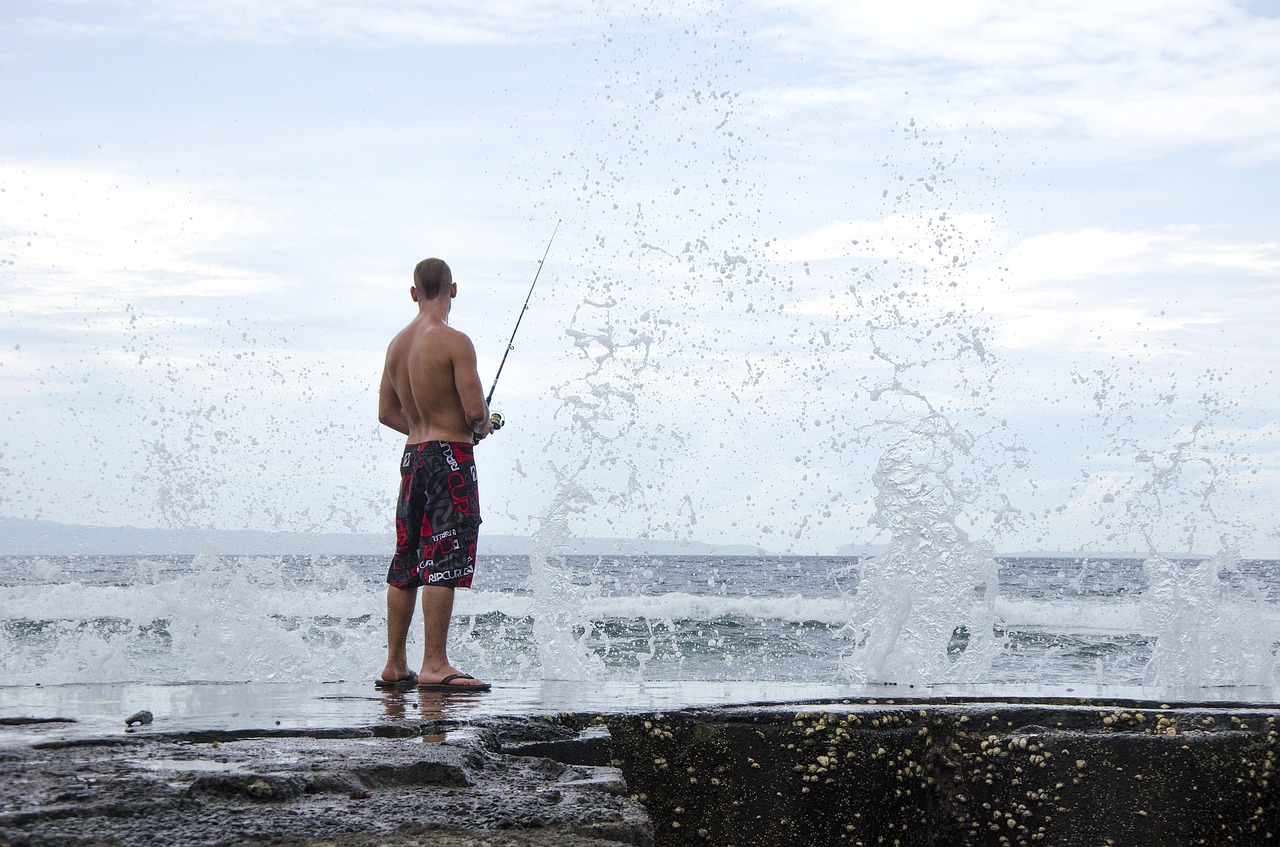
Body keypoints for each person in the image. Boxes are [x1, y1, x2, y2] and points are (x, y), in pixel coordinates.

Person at [375, 257, 492, 692]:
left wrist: (427, 433)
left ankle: (394, 664)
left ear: (413, 293)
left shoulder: (397, 346)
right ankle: (435, 664)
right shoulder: (454, 341)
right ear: (452, 290)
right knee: (443, 554)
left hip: (413, 457)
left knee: (407, 557)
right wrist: (476, 430)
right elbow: (476, 412)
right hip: (450, 459)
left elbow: (387, 413)